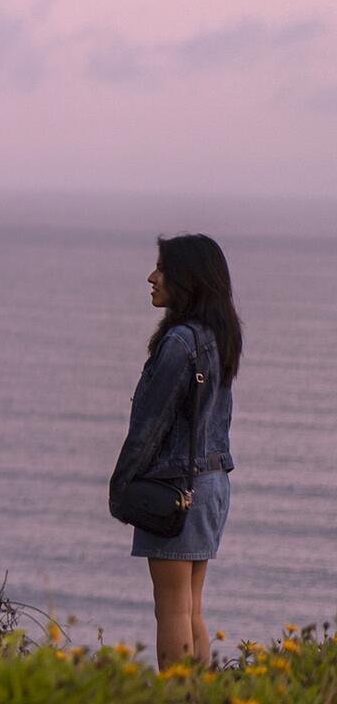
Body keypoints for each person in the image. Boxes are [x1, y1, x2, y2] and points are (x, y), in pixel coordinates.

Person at [111, 234, 240, 669]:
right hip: (211, 485)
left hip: (175, 489)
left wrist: (121, 486)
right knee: (190, 608)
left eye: (161, 270)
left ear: (187, 279)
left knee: (170, 609)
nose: (152, 278)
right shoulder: (218, 338)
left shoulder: (180, 343)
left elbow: (149, 427)